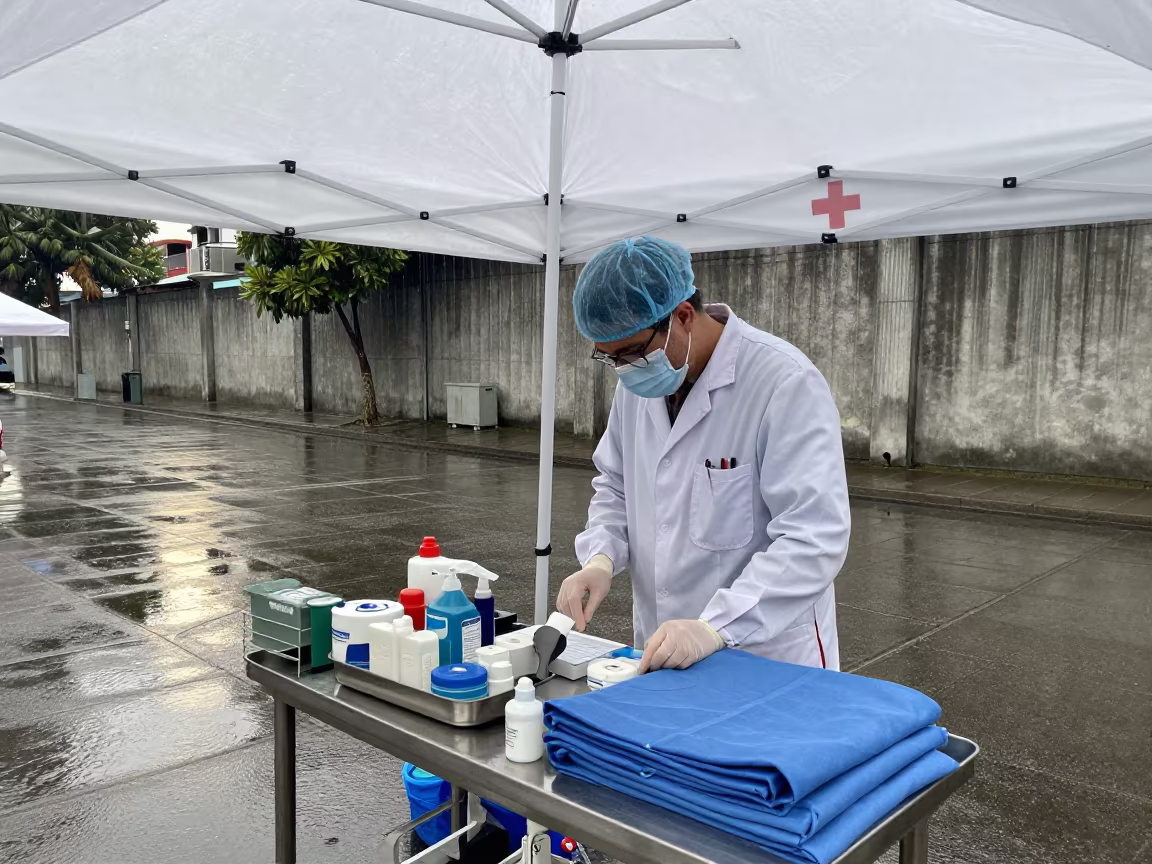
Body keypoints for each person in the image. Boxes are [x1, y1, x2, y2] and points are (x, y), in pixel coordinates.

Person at [558, 236, 850, 674]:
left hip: (765, 652)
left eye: (632, 352)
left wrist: (714, 627)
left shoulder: (783, 382)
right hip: (665, 647)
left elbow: (814, 536)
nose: (623, 369)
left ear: (683, 316)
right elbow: (617, 484)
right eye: (609, 357)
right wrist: (601, 558)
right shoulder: (637, 385)